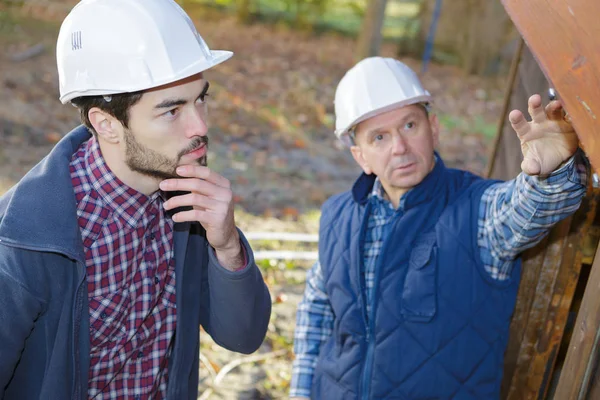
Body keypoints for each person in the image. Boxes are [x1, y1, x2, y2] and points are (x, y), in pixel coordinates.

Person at [0, 0, 271, 399]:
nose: (201, 126)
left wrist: (228, 245)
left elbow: (243, 336)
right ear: (106, 124)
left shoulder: (186, 199)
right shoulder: (26, 241)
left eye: (200, 99)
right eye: (172, 111)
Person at [290, 57, 589, 399]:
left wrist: (553, 172)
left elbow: (529, 206)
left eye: (409, 126)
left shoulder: (476, 209)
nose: (399, 148)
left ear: (433, 127)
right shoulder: (337, 217)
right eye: (379, 137)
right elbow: (315, 314)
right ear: (361, 157)